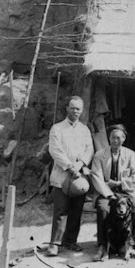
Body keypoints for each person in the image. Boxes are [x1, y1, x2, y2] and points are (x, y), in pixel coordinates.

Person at [47, 96, 94, 256]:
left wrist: (80, 165)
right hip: (62, 175)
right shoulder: (57, 128)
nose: (75, 111)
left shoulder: (84, 130)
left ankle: (70, 241)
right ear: (67, 108)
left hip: (79, 176)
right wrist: (69, 167)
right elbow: (55, 150)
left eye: (78, 109)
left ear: (82, 111)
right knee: (60, 211)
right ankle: (54, 244)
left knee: (76, 210)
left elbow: (89, 150)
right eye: (72, 108)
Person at [92, 124, 135, 261]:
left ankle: (132, 246)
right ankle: (102, 245)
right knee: (103, 208)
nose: (115, 141)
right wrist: (110, 194)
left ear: (124, 139)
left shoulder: (130, 155)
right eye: (113, 137)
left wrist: (120, 183)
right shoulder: (99, 155)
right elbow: (96, 178)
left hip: (125, 192)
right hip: (106, 193)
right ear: (109, 138)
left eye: (119, 138)